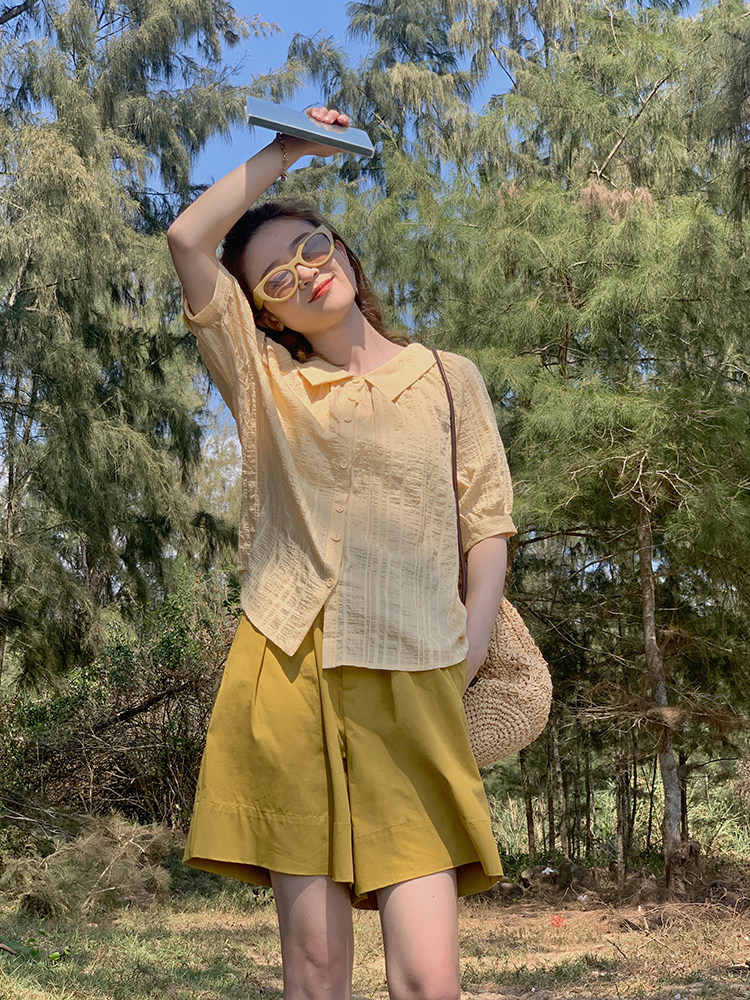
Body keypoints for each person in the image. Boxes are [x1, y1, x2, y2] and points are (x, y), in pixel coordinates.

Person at [167, 106, 516, 1000]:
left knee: (428, 979)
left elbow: (486, 527)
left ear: (344, 251)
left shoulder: (449, 377)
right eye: (276, 279)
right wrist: (285, 151)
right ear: (265, 313)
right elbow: (187, 240)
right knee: (317, 968)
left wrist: (470, 653)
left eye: (312, 247)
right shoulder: (267, 382)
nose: (305, 273)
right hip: (289, 667)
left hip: (417, 670)